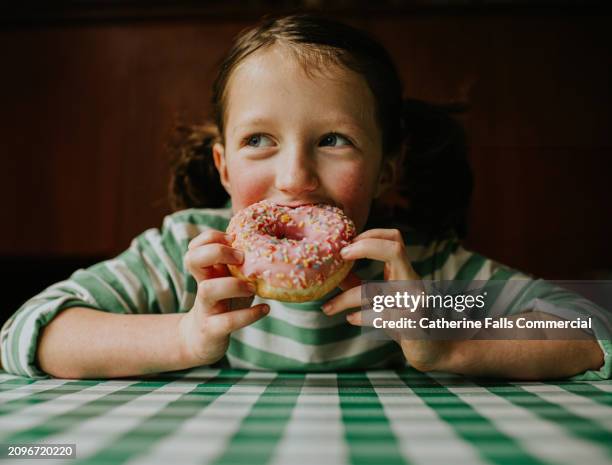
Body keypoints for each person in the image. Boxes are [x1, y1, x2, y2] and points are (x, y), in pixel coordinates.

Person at [1, 14, 608, 380]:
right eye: (259, 140)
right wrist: (183, 337)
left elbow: (593, 326)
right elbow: (28, 331)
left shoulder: (420, 272)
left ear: (386, 169)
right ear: (224, 167)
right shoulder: (185, 256)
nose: (295, 177)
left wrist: (447, 340)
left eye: (334, 140)